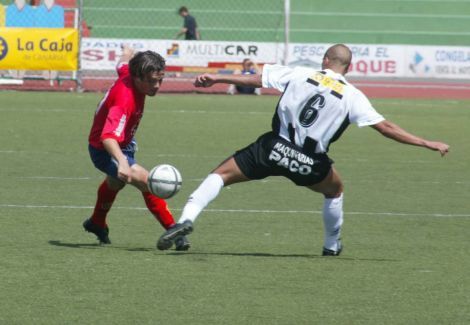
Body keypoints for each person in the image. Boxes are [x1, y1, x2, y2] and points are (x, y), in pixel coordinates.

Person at [157, 44, 450, 255]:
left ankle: (185, 221)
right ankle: (331, 246)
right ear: (349, 67)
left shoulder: (299, 73)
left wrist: (219, 79)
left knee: (220, 175)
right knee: (334, 190)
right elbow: (385, 128)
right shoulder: (353, 95)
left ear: (325, 59)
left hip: (272, 148)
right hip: (309, 163)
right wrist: (427, 142)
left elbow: (257, 78)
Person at [84, 45, 190, 250]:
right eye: (152, 81)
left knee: (115, 183)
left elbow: (122, 63)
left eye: (160, 80)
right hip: (104, 149)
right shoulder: (125, 100)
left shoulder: (129, 70)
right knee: (149, 181)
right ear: (138, 78)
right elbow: (107, 137)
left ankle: (97, 222)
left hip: (123, 142)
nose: (157, 86)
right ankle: (174, 231)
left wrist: (127, 51)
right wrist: (122, 162)